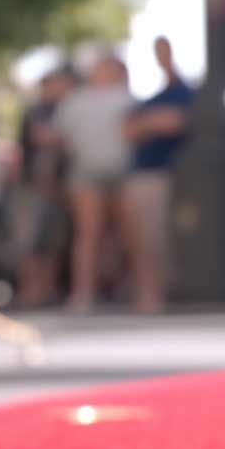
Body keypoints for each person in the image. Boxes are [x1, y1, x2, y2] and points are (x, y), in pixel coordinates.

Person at [53, 55, 136, 313]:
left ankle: (133, 290)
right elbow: (61, 137)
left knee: (129, 235)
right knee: (88, 234)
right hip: (86, 173)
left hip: (124, 173)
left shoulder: (128, 99)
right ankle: (83, 294)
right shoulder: (76, 101)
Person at [121, 37, 191, 313]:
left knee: (161, 237)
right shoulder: (149, 100)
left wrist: (152, 123)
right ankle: (147, 292)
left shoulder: (187, 93)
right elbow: (129, 130)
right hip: (143, 175)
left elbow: (177, 123)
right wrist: (154, 122)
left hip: (168, 175)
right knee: (142, 238)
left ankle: (160, 293)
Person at [11, 68, 75, 307]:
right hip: (32, 186)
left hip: (58, 187)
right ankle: (30, 290)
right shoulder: (37, 111)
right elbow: (41, 138)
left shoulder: (63, 110)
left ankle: (46, 289)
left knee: (52, 242)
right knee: (28, 241)